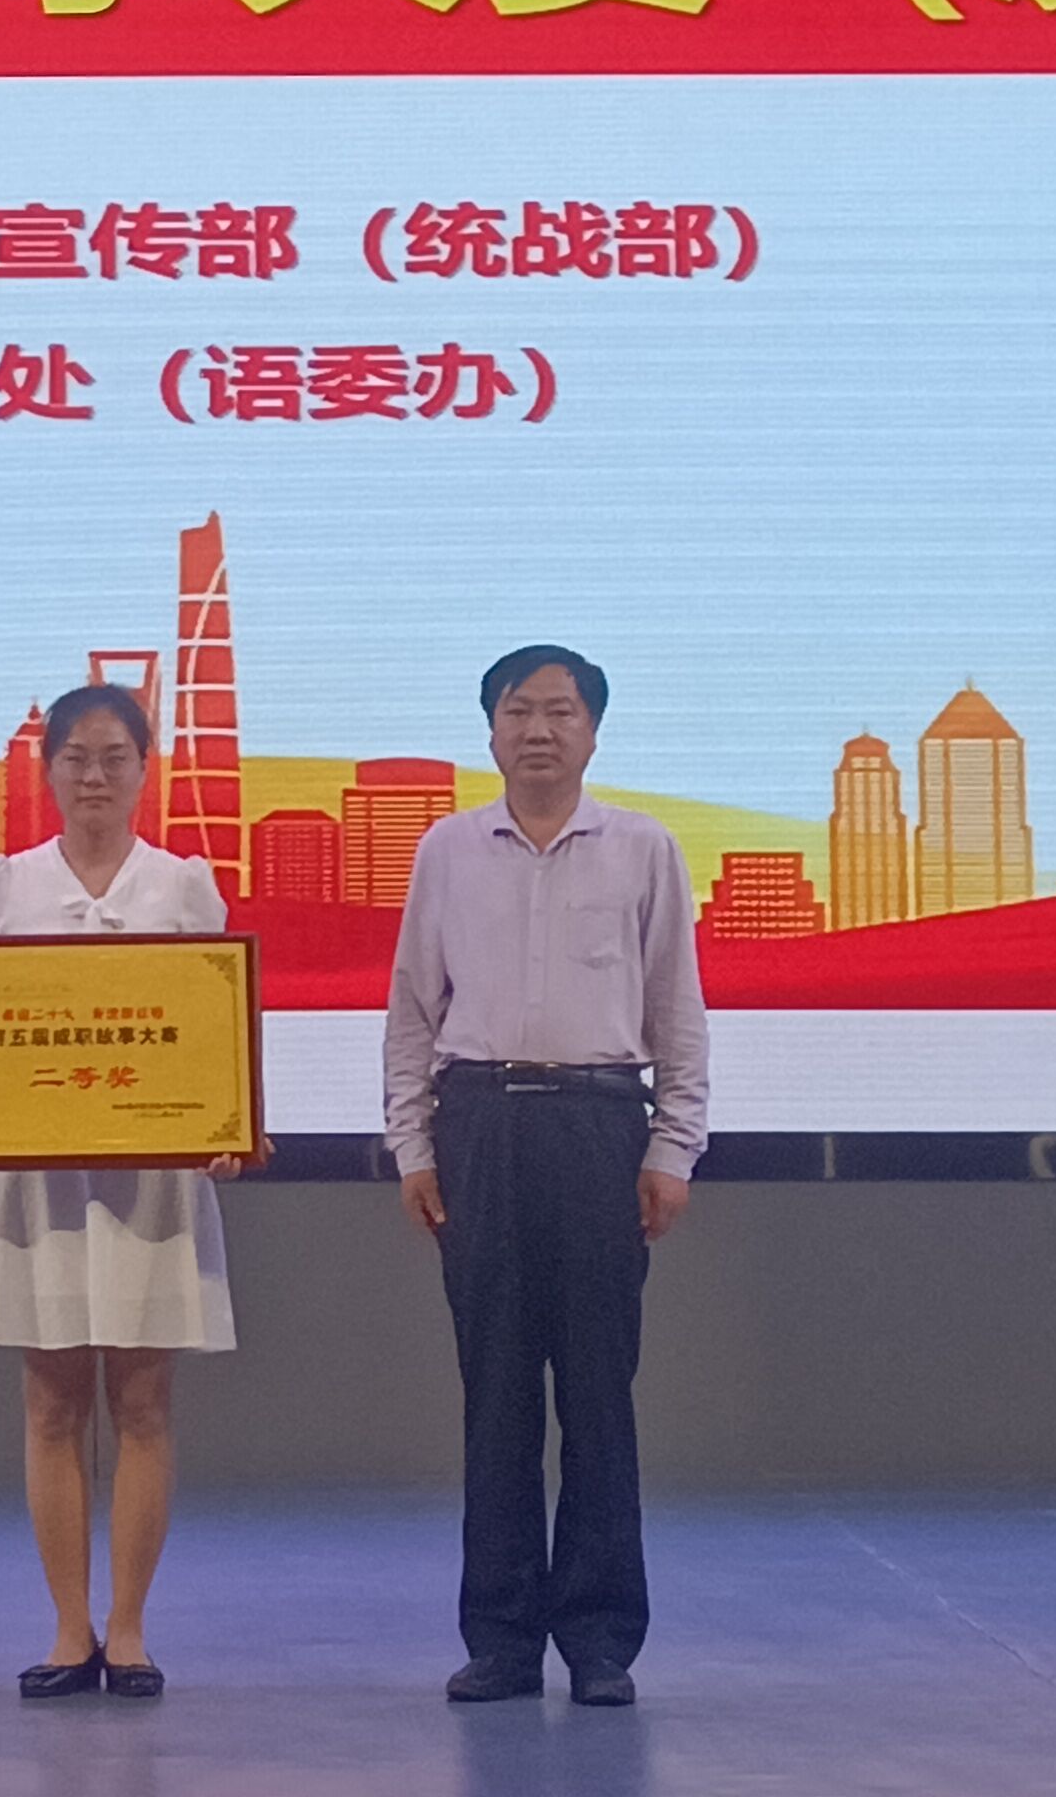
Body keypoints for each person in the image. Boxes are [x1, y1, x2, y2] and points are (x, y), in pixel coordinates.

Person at [0, 679, 250, 1700]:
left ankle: (129, 1630)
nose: (95, 777)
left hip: (153, 1180)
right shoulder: (5, 882)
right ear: (48, 771)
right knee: (51, 1405)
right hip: (40, 1183)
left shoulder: (183, 885)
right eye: (76, 759)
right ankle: (67, 1628)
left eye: (114, 759)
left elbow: (216, 1029)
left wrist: (226, 1124)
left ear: (145, 771)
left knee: (143, 1401)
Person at [380, 646, 707, 1711]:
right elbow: (412, 1014)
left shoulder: (644, 849)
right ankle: (502, 1639)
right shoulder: (446, 850)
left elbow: (677, 1012)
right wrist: (413, 1148)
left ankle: (602, 1641)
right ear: (490, 731)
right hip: (479, 1123)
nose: (539, 730)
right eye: (519, 710)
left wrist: (673, 1149)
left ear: (593, 732)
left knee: (601, 1395)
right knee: (498, 1397)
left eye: (561, 711)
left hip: (601, 1126)